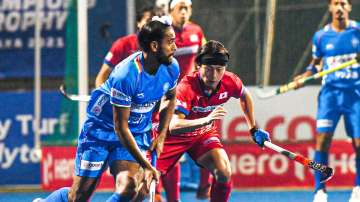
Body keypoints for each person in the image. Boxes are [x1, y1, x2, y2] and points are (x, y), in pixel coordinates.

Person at [36, 16, 179, 202]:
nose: (175, 48)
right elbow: (120, 127)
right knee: (78, 197)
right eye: (170, 42)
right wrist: (146, 164)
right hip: (100, 131)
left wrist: (161, 136)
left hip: (134, 133)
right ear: (153, 46)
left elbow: (170, 97)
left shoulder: (171, 68)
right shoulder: (126, 75)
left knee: (132, 188)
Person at [155, 40, 271, 202]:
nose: (214, 75)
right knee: (143, 186)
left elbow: (245, 96)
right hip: (172, 138)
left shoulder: (230, 82)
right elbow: (174, 126)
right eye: (208, 69)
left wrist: (253, 128)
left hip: (202, 134)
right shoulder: (186, 87)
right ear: (198, 66)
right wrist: (206, 120)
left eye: (219, 69)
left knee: (224, 172)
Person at [293, 1, 360, 202]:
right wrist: (303, 77)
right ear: (330, 8)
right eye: (335, 3)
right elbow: (315, 65)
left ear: (349, 7)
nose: (339, 7)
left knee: (358, 143)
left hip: (355, 95)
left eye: (343, 3)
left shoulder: (357, 31)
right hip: (329, 95)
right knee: (322, 142)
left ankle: (358, 188)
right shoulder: (321, 36)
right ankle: (319, 190)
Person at [153, 1, 210, 201]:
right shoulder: (163, 33)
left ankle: (205, 187)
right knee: (164, 143)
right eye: (180, 8)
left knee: (204, 135)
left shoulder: (197, 31)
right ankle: (157, 192)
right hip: (164, 96)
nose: (184, 12)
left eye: (187, 8)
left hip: (190, 96)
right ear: (171, 11)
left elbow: (205, 58)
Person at [95, 6, 153, 87]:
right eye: (148, 20)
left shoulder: (162, 47)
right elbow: (101, 77)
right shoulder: (122, 44)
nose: (152, 25)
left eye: (155, 22)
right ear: (138, 23)